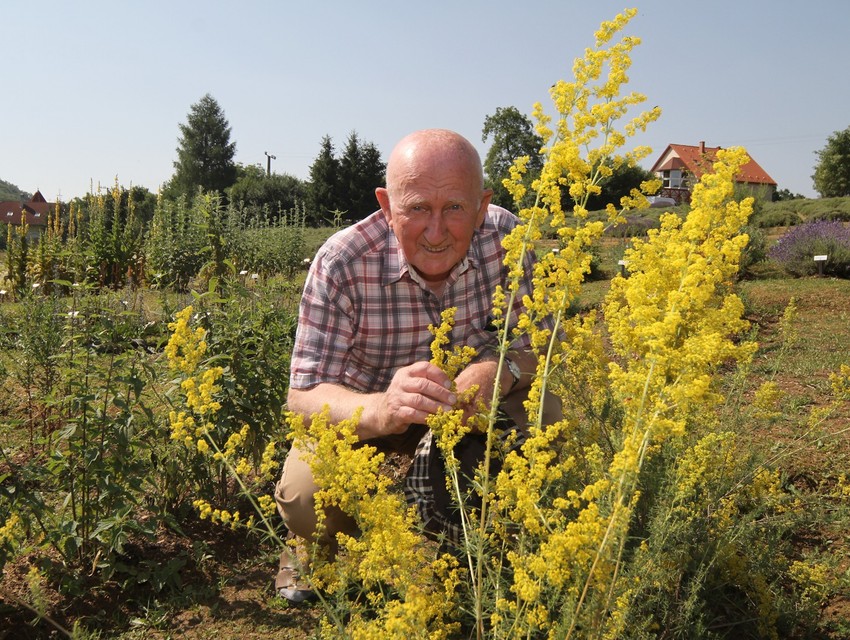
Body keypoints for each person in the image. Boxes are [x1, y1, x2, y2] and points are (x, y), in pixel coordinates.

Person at [273, 129, 557, 602]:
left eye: (455, 208)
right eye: (418, 207)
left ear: (483, 204)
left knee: (548, 418)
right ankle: (312, 547)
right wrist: (384, 409)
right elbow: (303, 396)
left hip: (470, 414)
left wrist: (499, 372)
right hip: (364, 416)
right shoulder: (342, 262)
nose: (436, 231)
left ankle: (493, 535)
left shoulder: (507, 238)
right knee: (306, 499)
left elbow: (544, 341)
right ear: (386, 205)